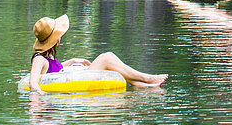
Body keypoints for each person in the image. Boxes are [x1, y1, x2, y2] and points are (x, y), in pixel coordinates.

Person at [29, 14, 167, 91]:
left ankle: (140, 84)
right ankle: (146, 78)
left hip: (71, 77)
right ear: (54, 39)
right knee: (106, 58)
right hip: (74, 83)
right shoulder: (39, 59)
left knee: (108, 59)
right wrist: (41, 96)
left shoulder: (47, 56)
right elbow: (33, 83)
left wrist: (72, 61)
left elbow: (52, 70)